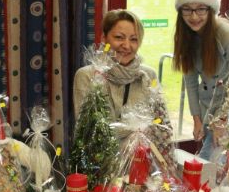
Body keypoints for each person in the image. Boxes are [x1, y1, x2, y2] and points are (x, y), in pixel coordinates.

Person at [73, 9, 174, 166]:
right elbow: (91, 132)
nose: (126, 46)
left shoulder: (149, 76)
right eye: (119, 37)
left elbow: (161, 124)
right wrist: (138, 128)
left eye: (134, 39)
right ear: (104, 38)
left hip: (143, 164)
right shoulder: (87, 76)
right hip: (101, 166)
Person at [172, 0, 229, 160]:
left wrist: (222, 121)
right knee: (211, 162)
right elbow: (191, 83)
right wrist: (196, 119)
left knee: (210, 161)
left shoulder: (225, 34)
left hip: (228, 109)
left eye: (201, 9)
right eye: (187, 9)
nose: (194, 17)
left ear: (211, 10)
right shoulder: (186, 36)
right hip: (206, 108)